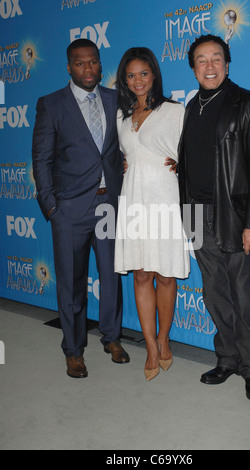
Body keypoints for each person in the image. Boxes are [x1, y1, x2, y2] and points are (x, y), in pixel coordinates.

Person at [178, 35, 250, 401]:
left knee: (244, 294)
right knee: (214, 292)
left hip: (235, 217)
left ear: (228, 64)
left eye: (216, 58)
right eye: (201, 60)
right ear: (193, 68)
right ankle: (227, 358)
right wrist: (186, 214)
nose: (209, 66)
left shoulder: (249, 104)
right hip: (197, 214)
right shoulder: (191, 107)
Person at [32, 38, 130, 379]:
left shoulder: (116, 99)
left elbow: (126, 143)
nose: (88, 68)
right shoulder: (51, 104)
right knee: (71, 284)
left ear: (101, 65)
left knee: (111, 278)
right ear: (69, 67)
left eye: (93, 62)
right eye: (80, 63)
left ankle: (112, 338)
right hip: (69, 209)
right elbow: (41, 159)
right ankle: (73, 350)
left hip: (108, 205)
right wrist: (51, 206)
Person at [115, 47, 190, 381]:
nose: (138, 81)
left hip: (164, 197)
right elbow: (118, 155)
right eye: (131, 75)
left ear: (155, 74)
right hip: (133, 199)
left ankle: (164, 338)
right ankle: (149, 345)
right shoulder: (121, 115)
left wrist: (182, 164)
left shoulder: (176, 111)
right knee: (141, 274)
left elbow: (197, 150)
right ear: (124, 79)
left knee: (166, 275)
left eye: (143, 73)